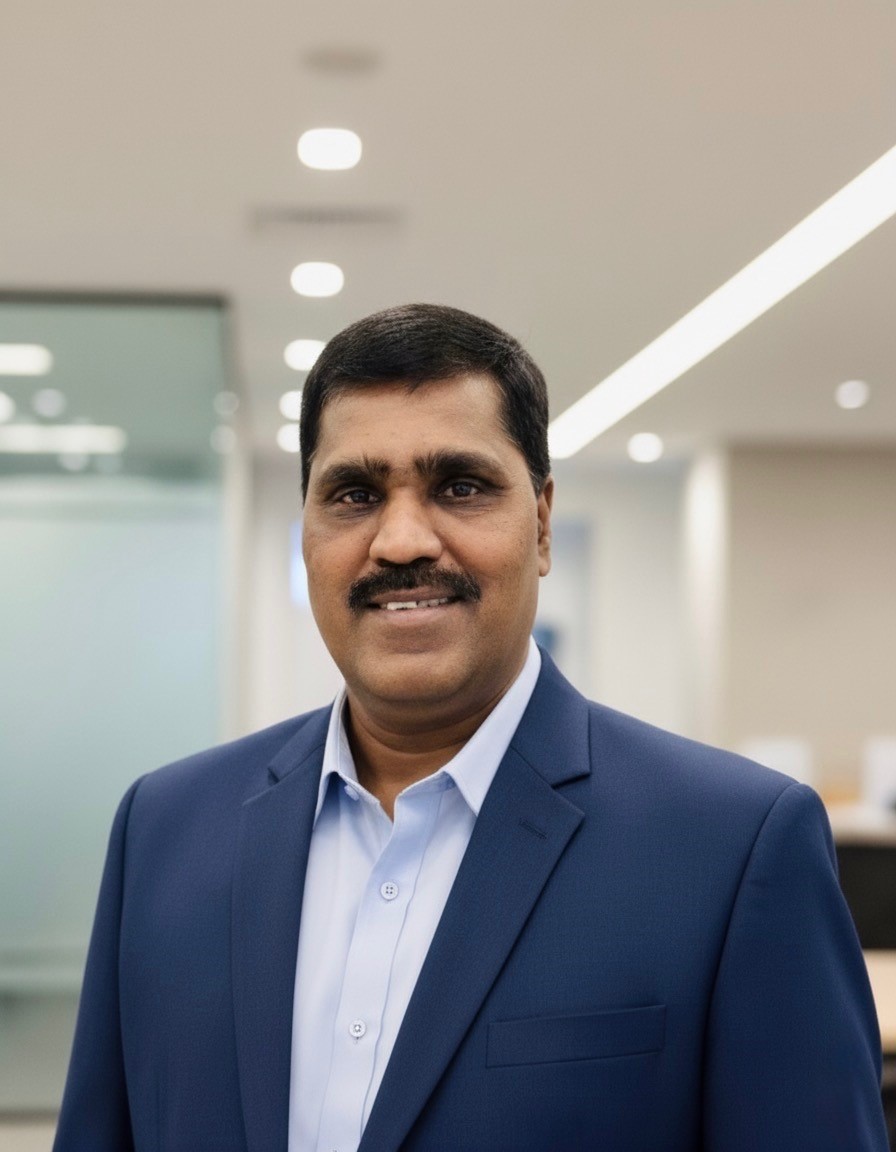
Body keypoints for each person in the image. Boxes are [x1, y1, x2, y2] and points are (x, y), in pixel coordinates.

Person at [55, 304, 887, 1151]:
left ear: (542, 524)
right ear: (306, 531)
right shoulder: (165, 830)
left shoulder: (732, 846)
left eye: (459, 486)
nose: (401, 541)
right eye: (354, 494)